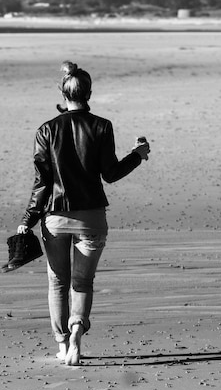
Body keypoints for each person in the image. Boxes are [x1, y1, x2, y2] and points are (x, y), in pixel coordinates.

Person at [17, 61, 150, 366]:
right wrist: (138, 155)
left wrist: (27, 220)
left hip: (55, 217)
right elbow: (111, 174)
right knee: (83, 281)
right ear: (89, 92)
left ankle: (63, 344)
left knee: (58, 282)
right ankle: (78, 330)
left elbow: (42, 182)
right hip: (92, 216)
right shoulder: (102, 126)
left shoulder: (46, 129)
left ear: (63, 94)